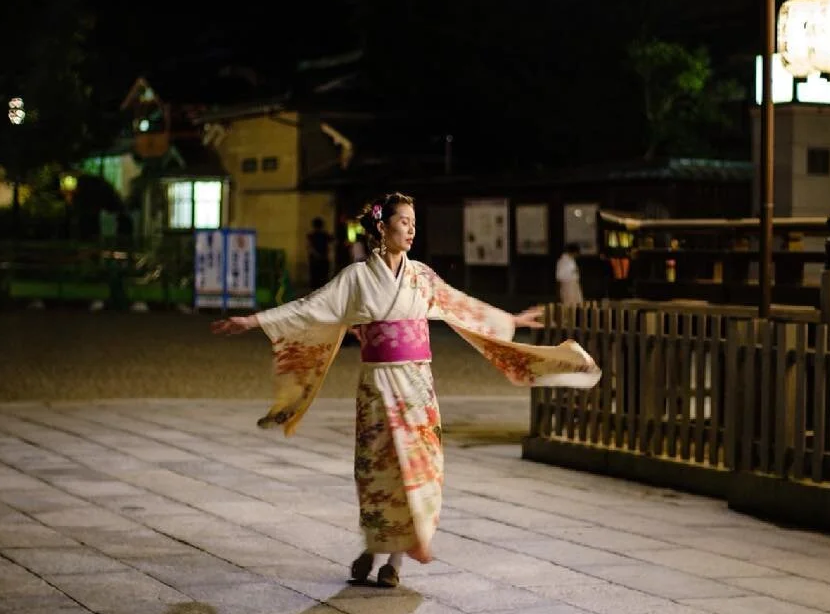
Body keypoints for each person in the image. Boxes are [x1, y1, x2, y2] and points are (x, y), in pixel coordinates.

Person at [212, 192, 601, 588]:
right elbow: (308, 308)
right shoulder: (357, 278)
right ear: (382, 227)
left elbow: (460, 307)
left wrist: (510, 320)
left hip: (417, 384)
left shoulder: (422, 277)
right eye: (404, 222)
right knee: (378, 468)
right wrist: (253, 321)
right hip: (378, 384)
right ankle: (372, 545)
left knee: (419, 467)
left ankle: (395, 560)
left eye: (414, 223)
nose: (412, 230)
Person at [306, 216, 333, 290]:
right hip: (324, 259)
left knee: (314, 279)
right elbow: (329, 246)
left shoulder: (310, 235)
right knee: (323, 278)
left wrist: (316, 254)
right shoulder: (326, 235)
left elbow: (309, 247)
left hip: (314, 259)